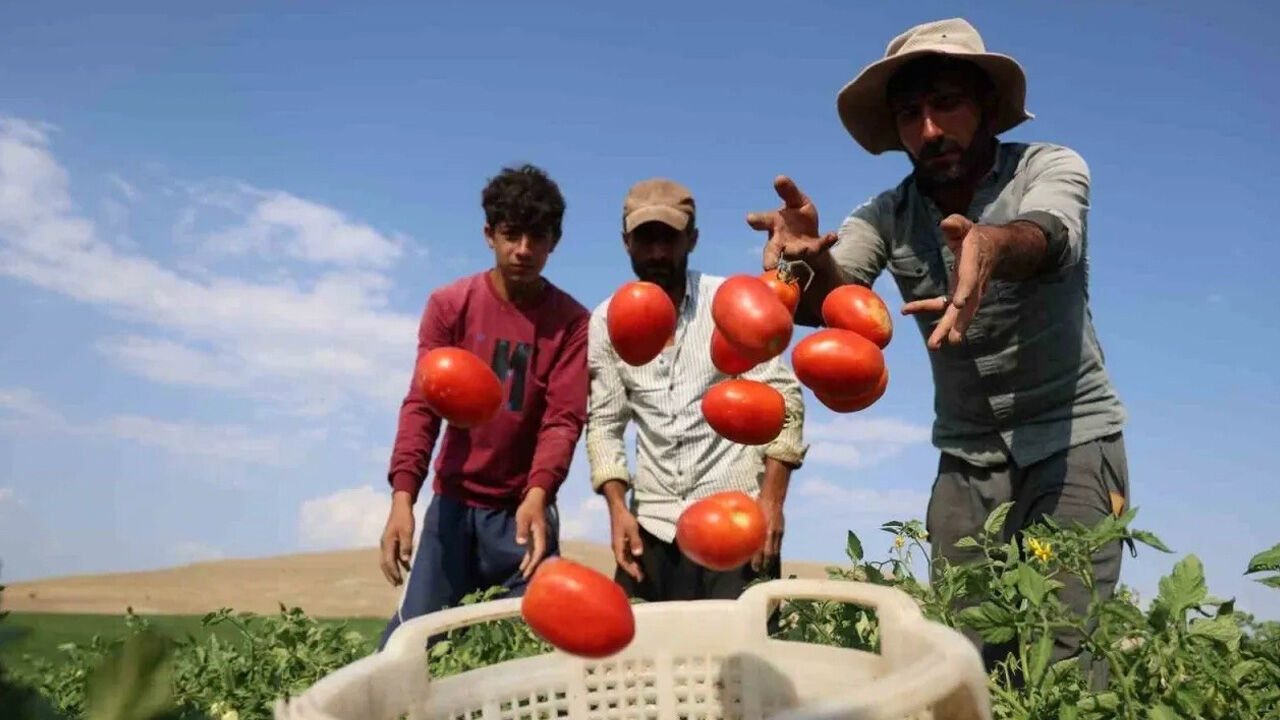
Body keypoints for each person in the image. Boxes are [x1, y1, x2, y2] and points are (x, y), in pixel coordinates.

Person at [747, 18, 1129, 682]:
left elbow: (1050, 235)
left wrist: (990, 246)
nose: (930, 129)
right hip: (966, 457)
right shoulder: (885, 215)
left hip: (1070, 441)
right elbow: (833, 305)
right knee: (964, 658)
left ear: (985, 107)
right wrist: (799, 267)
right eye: (911, 113)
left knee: (1068, 655)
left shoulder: (1050, 166)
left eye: (947, 103)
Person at [376, 164, 590, 649]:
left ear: (554, 241)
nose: (523, 250)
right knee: (411, 648)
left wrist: (538, 494)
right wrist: (403, 499)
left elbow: (563, 417)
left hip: (522, 513)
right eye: (511, 235)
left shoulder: (572, 323)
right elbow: (421, 406)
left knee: (537, 649)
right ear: (489, 234)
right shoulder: (451, 305)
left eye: (537, 237)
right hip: (452, 508)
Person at [586, 178, 808, 603]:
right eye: (644, 239)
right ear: (625, 243)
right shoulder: (605, 322)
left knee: (741, 660)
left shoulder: (728, 302)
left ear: (692, 239)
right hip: (652, 526)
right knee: (644, 661)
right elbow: (604, 424)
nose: (657, 253)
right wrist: (617, 510)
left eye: (669, 238)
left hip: (735, 521)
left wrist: (772, 503)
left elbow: (783, 400)